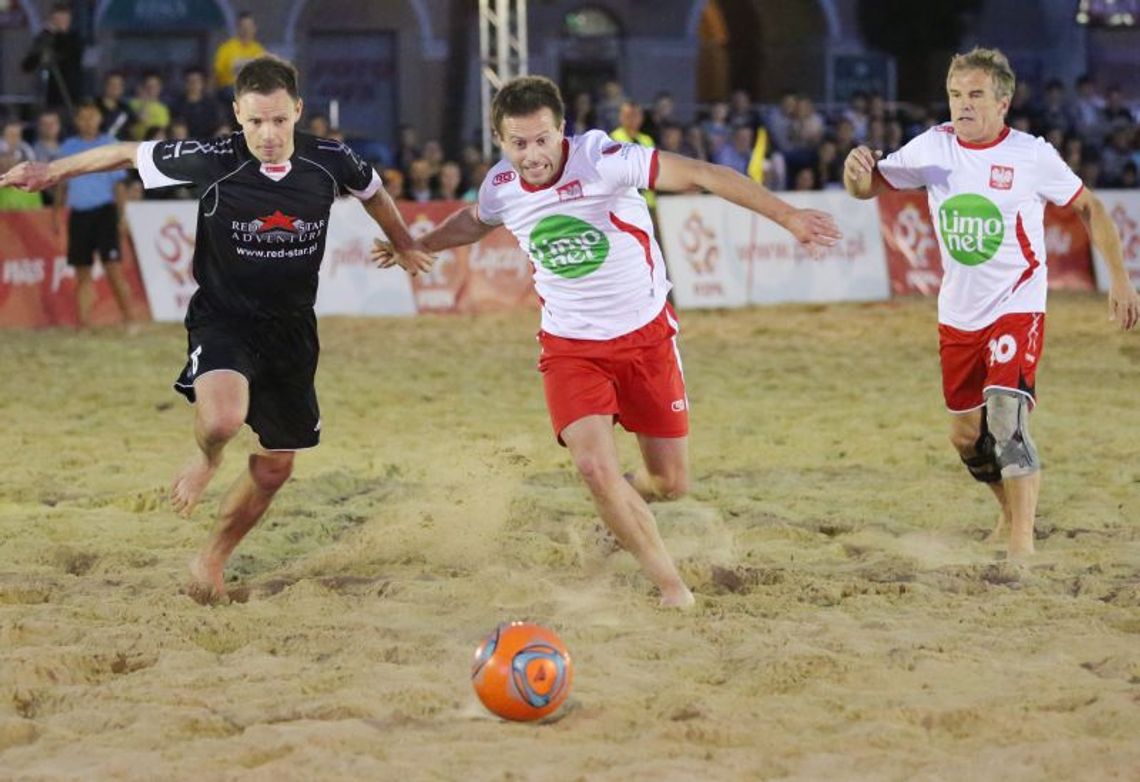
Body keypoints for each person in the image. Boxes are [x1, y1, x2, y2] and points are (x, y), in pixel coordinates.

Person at [372, 75, 841, 606]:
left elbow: (705, 174)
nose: (533, 155)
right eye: (519, 143)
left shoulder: (604, 158)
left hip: (646, 339)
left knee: (670, 483)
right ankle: (671, 587)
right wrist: (416, 243)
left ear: (562, 131)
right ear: (501, 141)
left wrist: (789, 216)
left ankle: (618, 508)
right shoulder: (501, 185)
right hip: (570, 348)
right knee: (593, 467)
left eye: (543, 139)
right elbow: (476, 222)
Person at [1, 56, 433, 601]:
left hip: (292, 329)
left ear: (298, 111)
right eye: (255, 122)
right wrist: (50, 171)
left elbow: (373, 191)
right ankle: (206, 458)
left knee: (276, 469)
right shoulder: (214, 158)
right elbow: (126, 154)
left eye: (279, 120)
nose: (268, 135)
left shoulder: (331, 160)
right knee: (224, 420)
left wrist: (403, 239)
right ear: (237, 115)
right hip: (224, 317)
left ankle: (211, 561)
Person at [842, 46, 1140, 559]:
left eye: (975, 95)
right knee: (965, 436)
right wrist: (854, 172)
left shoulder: (1031, 154)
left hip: (1018, 303)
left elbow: (1089, 207)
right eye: (956, 95)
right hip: (958, 313)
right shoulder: (933, 148)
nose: (962, 105)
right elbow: (867, 188)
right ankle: (1009, 516)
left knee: (1006, 418)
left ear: (1003, 102)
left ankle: (1021, 553)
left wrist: (1121, 279)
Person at [55, 102, 135, 329]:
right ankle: (84, 324)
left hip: (105, 213)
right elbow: (62, 185)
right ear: (77, 120)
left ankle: (129, 320)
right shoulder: (69, 146)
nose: (88, 121)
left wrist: (122, 216)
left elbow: (119, 185)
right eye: (83, 117)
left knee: (113, 269)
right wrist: (56, 213)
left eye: (92, 117)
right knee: (82, 272)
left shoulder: (109, 145)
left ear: (100, 119)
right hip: (78, 214)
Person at [21, 1, 84, 117]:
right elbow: (28, 65)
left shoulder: (75, 38)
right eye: (57, 20)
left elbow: (69, 51)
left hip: (70, 96)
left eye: (64, 20)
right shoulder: (46, 38)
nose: (61, 23)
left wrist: (58, 33)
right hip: (50, 96)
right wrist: (44, 37)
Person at [214, 10, 266, 100]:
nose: (246, 30)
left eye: (249, 27)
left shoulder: (259, 51)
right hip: (230, 92)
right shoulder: (226, 49)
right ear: (237, 28)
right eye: (242, 27)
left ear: (254, 29)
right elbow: (218, 74)